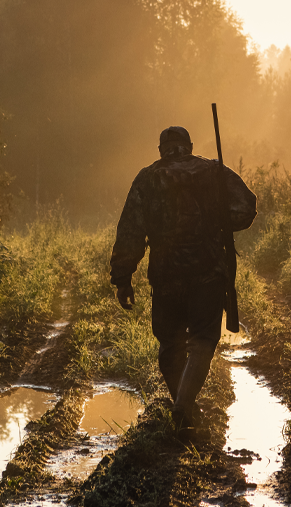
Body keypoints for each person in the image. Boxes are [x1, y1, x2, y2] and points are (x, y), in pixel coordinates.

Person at [110, 125, 256, 430]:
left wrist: (123, 277)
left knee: (170, 344)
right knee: (203, 340)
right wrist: (218, 223)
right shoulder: (213, 171)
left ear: (161, 150)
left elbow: (131, 231)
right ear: (189, 146)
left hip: (166, 275)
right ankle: (183, 408)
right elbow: (246, 207)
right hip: (208, 272)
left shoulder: (147, 178)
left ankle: (182, 407)